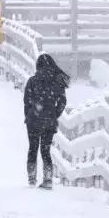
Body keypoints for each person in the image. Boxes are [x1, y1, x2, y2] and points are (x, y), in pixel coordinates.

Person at [23, 54, 69, 189]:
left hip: (33, 121)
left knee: (32, 149)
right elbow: (62, 102)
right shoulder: (57, 82)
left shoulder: (32, 81)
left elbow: (26, 101)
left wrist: (30, 115)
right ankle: (48, 179)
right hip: (49, 121)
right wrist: (54, 114)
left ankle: (32, 178)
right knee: (46, 150)